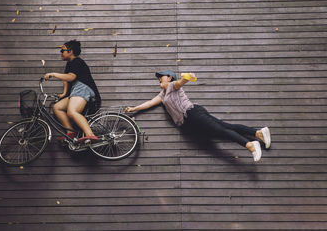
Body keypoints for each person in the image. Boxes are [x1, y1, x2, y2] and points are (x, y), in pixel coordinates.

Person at [125, 70, 271, 162]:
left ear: (169, 78)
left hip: (192, 113)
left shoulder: (172, 86)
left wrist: (188, 77)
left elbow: (181, 82)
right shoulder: (162, 95)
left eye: (161, 77)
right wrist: (133, 109)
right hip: (190, 121)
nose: (159, 79)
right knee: (226, 127)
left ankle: (251, 146)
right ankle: (258, 133)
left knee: (221, 131)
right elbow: (150, 103)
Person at [44, 40, 101, 143]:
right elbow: (66, 80)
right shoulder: (70, 64)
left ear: (70, 51)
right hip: (76, 90)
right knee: (57, 107)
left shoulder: (77, 61)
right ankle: (71, 132)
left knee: (72, 112)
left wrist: (53, 74)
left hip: (84, 88)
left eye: (62, 50)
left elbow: (71, 77)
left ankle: (90, 135)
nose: (61, 53)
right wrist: (64, 94)